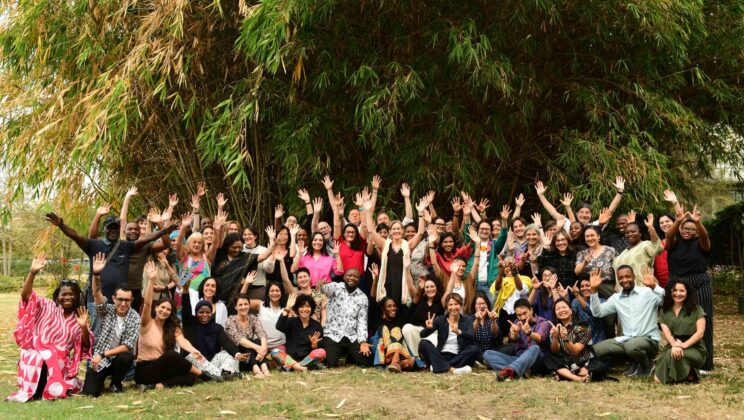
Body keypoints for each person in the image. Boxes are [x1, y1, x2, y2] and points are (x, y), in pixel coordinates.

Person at [46, 211, 175, 330]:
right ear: (105, 229)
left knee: (118, 331)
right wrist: (61, 225)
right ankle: (96, 355)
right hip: (97, 299)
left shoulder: (126, 246)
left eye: (115, 228)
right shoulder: (93, 245)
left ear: (120, 230)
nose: (113, 231)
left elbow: (146, 239)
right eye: (110, 227)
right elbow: (76, 236)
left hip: (120, 300)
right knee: (98, 331)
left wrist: (163, 231)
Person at [7, 255, 92, 402]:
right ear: (57, 296)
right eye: (64, 294)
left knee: (53, 358)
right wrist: (32, 272)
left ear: (77, 297)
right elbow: (26, 296)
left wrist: (83, 327)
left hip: (60, 362)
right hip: (35, 352)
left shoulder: (79, 316)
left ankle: (48, 389)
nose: (68, 297)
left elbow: (85, 345)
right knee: (42, 357)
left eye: (72, 295)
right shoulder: (47, 305)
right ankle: (38, 391)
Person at [136, 261, 207, 389]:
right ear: (156, 308)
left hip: (161, 368)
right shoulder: (146, 323)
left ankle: (159, 386)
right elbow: (147, 303)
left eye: (168, 310)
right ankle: (204, 375)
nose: (165, 311)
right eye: (162, 308)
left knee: (190, 377)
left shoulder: (171, 327)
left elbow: (182, 340)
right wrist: (151, 280)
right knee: (172, 355)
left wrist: (193, 350)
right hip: (144, 370)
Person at [590, 265, 664, 377]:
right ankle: (634, 361)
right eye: (620, 278)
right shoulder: (616, 298)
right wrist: (594, 290)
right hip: (627, 340)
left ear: (634, 276)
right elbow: (598, 312)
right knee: (596, 350)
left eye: (627, 276)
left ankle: (647, 365)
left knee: (631, 347)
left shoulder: (647, 292)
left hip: (648, 340)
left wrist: (654, 286)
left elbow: (664, 300)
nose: (624, 280)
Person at [83, 253, 140, 397]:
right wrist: (96, 274)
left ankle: (116, 381)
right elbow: (96, 294)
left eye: (127, 300)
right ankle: (100, 379)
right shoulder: (106, 310)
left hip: (115, 358)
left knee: (126, 356)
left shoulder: (134, 317)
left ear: (132, 300)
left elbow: (127, 345)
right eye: (120, 299)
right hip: (99, 359)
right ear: (113, 298)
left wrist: (103, 354)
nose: (122, 303)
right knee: (90, 393)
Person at [665, 206, 713, 371]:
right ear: (680, 229)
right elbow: (669, 235)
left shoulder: (701, 243)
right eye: (685, 228)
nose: (688, 231)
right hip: (677, 283)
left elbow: (705, 237)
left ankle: (705, 364)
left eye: (692, 230)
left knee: (702, 321)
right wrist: (678, 220)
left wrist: (698, 223)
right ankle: (678, 357)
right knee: (678, 321)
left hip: (699, 282)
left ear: (696, 231)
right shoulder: (674, 242)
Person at [654, 278, 707, 384]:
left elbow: (700, 333)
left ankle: (687, 373)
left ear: (688, 293)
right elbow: (667, 333)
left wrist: (682, 346)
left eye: (682, 291)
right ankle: (688, 374)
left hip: (694, 346)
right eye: (675, 290)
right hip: (673, 344)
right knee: (657, 380)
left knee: (671, 354)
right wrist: (675, 345)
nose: (678, 293)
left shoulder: (696, 309)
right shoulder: (665, 310)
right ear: (670, 292)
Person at [482, 298, 550, 381]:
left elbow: (539, 338)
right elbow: (512, 338)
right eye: (519, 315)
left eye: (525, 313)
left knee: (535, 348)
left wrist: (529, 333)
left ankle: (511, 370)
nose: (523, 317)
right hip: (518, 358)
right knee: (487, 354)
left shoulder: (543, 323)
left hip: (536, 361)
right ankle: (519, 370)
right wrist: (514, 335)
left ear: (531, 310)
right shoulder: (516, 322)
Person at [179, 292, 240, 382]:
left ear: (212, 313)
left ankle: (225, 373)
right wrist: (185, 291)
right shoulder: (190, 325)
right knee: (193, 356)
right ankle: (221, 375)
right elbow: (186, 307)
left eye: (208, 312)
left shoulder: (217, 328)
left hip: (211, 362)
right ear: (196, 313)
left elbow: (227, 343)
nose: (205, 315)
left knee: (229, 354)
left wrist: (237, 354)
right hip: (194, 362)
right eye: (201, 312)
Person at [319, 269, 372, 367]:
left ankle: (351, 357)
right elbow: (324, 289)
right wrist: (321, 285)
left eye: (355, 276)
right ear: (344, 277)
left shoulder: (363, 298)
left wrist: (363, 342)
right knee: (331, 364)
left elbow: (362, 321)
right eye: (349, 275)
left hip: (352, 336)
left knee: (366, 362)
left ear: (359, 279)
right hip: (333, 335)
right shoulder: (336, 287)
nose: (352, 278)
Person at [418, 293, 479, 374]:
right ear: (447, 306)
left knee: (474, 349)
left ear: (461, 305)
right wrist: (428, 328)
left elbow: (471, 337)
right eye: (450, 305)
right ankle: (452, 369)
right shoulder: (440, 320)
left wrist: (459, 332)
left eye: (456, 304)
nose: (453, 307)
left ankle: (438, 366)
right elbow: (422, 335)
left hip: (458, 355)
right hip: (440, 354)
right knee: (423, 343)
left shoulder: (467, 321)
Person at [575, 225, 618, 337]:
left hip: (608, 287)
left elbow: (618, 269)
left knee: (609, 317)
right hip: (590, 289)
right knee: (594, 316)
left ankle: (611, 344)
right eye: (587, 236)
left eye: (592, 235)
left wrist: (618, 286)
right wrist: (584, 262)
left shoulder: (610, 250)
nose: (590, 238)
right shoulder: (582, 253)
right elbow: (577, 272)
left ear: (598, 236)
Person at [542, 299, 596, 382]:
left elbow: (576, 351)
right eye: (558, 309)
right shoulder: (555, 328)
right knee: (548, 358)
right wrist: (555, 337)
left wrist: (565, 339)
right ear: (555, 314)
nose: (562, 310)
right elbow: (555, 351)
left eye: (564, 307)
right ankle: (578, 378)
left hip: (584, 361)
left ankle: (565, 374)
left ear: (571, 311)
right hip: (568, 363)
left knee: (598, 366)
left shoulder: (581, 326)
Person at [272, 293, 327, 371]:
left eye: (307, 306)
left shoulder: (316, 325)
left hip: (307, 359)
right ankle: (301, 368)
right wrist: (287, 308)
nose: (304, 309)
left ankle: (291, 367)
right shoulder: (291, 321)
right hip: (290, 357)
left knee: (322, 352)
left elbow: (319, 347)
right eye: (301, 307)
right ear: (297, 309)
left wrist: (314, 345)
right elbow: (279, 326)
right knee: (275, 352)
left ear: (312, 308)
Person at [223, 294, 271, 378]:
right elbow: (239, 339)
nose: (243, 307)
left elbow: (262, 333)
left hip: (251, 354)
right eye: (240, 305)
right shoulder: (230, 320)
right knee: (246, 345)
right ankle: (256, 370)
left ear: (249, 305)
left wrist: (262, 350)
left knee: (258, 341)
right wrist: (258, 348)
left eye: (246, 304)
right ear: (235, 307)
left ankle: (264, 368)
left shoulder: (253, 318)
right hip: (237, 354)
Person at [612, 213, 663, 286]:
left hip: (644, 289)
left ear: (640, 233)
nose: (630, 234)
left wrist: (650, 227)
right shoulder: (624, 252)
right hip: (625, 293)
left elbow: (657, 249)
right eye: (627, 233)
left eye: (633, 231)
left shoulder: (645, 245)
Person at [210, 231, 256, 310]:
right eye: (234, 247)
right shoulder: (188, 260)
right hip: (202, 291)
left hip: (231, 297)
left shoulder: (245, 257)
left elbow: (260, 257)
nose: (237, 250)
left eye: (240, 247)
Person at [401, 275, 444, 359]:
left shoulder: (441, 301)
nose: (430, 289)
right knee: (407, 328)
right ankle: (415, 358)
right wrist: (420, 288)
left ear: (437, 287)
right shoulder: (420, 299)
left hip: (434, 333)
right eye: (427, 287)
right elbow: (411, 287)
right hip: (420, 331)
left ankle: (428, 359)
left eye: (432, 286)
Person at [490, 257, 531, 336]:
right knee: (503, 338)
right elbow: (497, 287)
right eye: (506, 267)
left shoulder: (525, 279)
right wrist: (500, 273)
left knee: (520, 337)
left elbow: (520, 289)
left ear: (516, 266)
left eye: (511, 265)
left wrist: (515, 273)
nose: (509, 268)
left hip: (520, 314)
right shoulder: (502, 279)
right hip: (503, 313)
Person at [374, 297, 414, 372]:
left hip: (399, 352)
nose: (393, 308)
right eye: (389, 306)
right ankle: (397, 362)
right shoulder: (380, 323)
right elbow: (378, 342)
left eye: (394, 306)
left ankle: (396, 363)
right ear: (383, 309)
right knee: (389, 329)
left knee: (397, 330)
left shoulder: (399, 322)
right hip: (382, 352)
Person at [570, 278, 606, 344]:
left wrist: (578, 296)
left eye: (587, 285)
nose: (584, 288)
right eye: (582, 286)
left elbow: (593, 312)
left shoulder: (602, 301)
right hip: (582, 341)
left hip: (598, 340)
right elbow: (572, 319)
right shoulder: (575, 302)